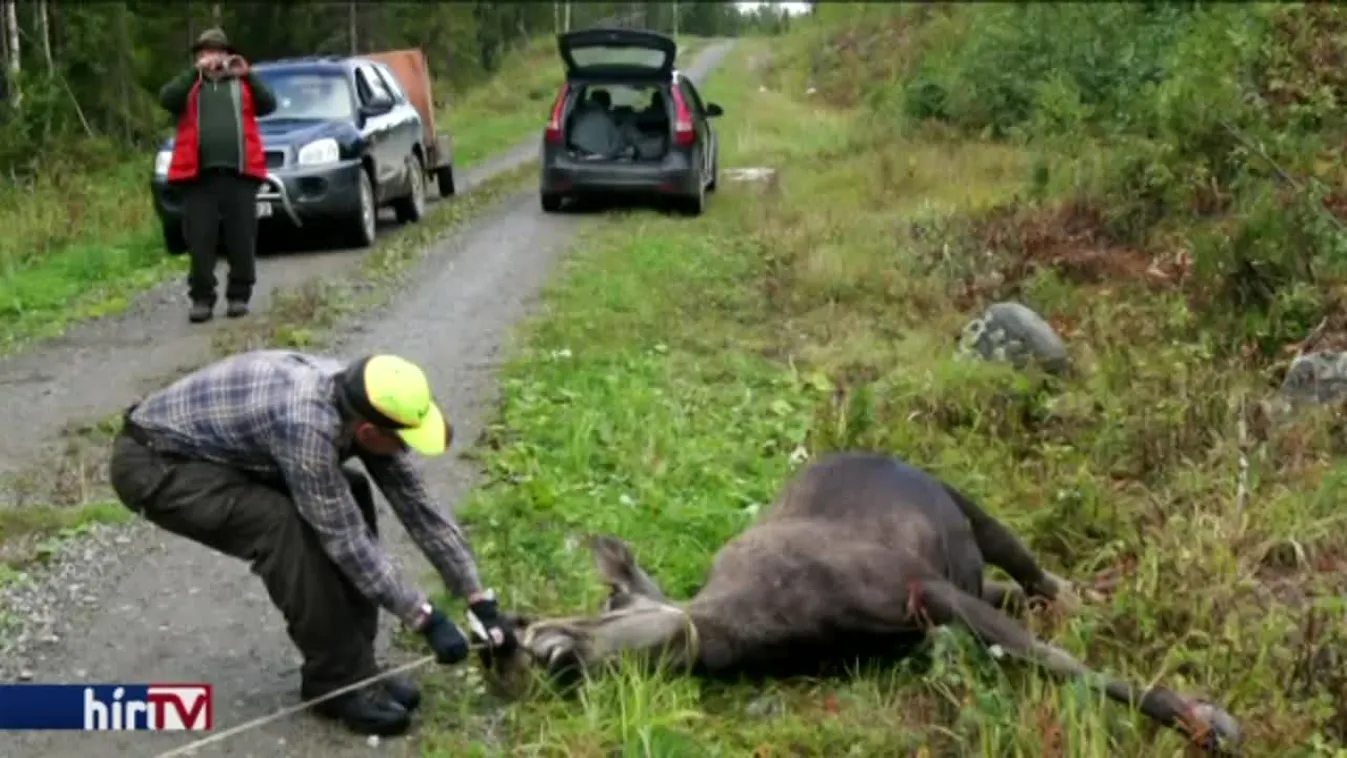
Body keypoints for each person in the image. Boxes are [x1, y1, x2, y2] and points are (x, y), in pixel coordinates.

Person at [108, 350, 519, 736]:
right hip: (158, 464)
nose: (406, 450)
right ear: (368, 431)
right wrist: (425, 617)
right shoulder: (306, 424)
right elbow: (346, 541)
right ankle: (336, 682)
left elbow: (419, 507)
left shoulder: (363, 398)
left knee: (351, 490)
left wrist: (478, 598)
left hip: (220, 453)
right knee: (284, 529)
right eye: (403, 440)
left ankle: (360, 667)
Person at [158, 28, 278, 324]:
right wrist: (194, 74)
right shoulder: (190, 86)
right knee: (200, 241)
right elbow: (166, 99)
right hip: (198, 178)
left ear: (227, 55)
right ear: (198, 57)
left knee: (242, 240)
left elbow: (269, 103)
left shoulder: (243, 83)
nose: (212, 57)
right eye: (205, 52)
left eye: (218, 51)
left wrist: (248, 74)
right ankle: (202, 298)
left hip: (240, 174)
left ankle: (239, 296)